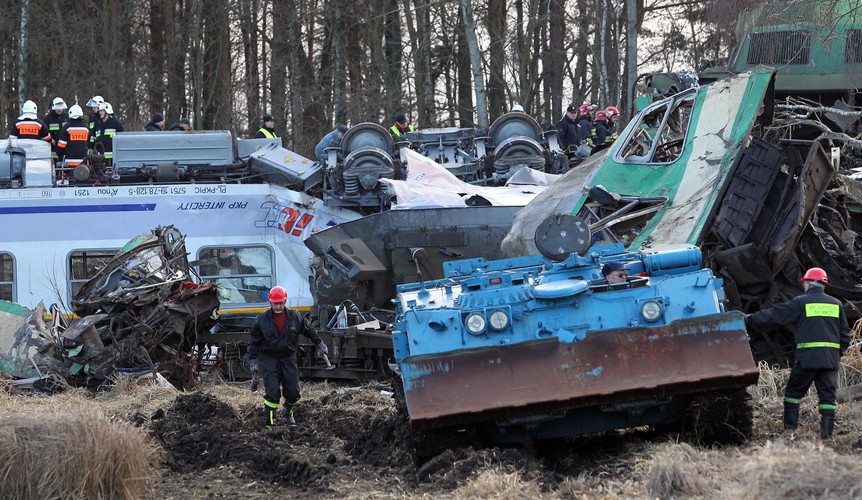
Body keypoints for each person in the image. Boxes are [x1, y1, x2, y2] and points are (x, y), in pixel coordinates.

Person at [746, 268, 850, 442]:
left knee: (793, 394)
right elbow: (845, 335)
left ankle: (789, 432)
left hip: (807, 359)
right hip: (829, 360)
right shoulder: (836, 304)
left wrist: (749, 319)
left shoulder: (801, 303)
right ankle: (826, 437)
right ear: (823, 285)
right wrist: (835, 353)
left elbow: (775, 315)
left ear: (808, 284)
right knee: (827, 399)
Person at [247, 286, 328, 426]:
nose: (278, 306)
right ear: (270, 302)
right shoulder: (261, 320)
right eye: (275, 303)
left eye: (281, 303)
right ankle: (270, 425)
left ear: (285, 301)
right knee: (272, 394)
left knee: (293, 393)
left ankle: (288, 412)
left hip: (289, 359)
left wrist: (320, 344)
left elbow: (310, 330)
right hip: (270, 360)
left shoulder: (295, 317)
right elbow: (253, 343)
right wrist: (253, 364)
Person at [43, 97, 69, 161]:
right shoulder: (48, 118)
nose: (59, 110)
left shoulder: (66, 117)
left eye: (61, 108)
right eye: (57, 109)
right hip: (52, 146)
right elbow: (44, 132)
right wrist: (50, 139)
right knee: (54, 162)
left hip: (65, 146)